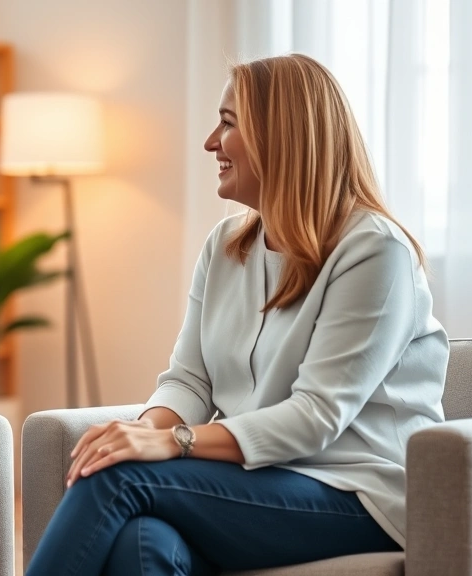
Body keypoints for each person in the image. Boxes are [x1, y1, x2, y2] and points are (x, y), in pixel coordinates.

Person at [26, 54, 449, 576]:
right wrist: (142, 433)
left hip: (362, 495)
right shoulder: (225, 246)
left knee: (116, 479)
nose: (211, 142)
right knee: (142, 539)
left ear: (282, 137)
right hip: (259, 483)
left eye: (228, 123)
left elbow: (316, 416)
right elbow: (189, 381)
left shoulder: (375, 252)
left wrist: (171, 443)